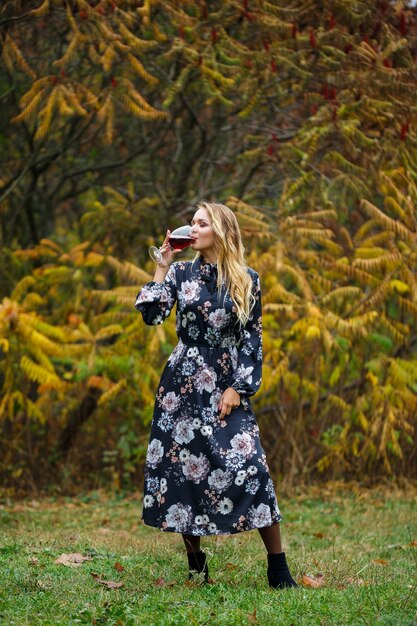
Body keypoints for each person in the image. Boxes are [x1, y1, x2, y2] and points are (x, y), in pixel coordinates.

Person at [134, 201, 297, 589]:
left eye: (201, 223)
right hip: (183, 383)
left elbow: (252, 339)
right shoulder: (179, 273)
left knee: (252, 467)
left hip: (225, 380)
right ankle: (196, 562)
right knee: (182, 474)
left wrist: (238, 388)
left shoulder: (247, 278)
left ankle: (278, 567)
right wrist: (162, 263)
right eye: (191, 223)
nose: (192, 229)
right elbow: (153, 316)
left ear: (221, 231)